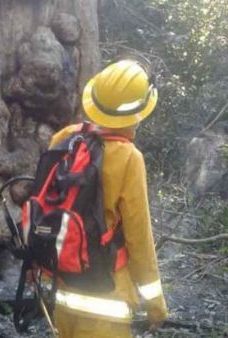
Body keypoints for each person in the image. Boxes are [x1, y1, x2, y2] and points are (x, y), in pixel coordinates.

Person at [50, 60, 168, 337]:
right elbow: (139, 237)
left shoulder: (65, 137)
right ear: (138, 112)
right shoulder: (129, 157)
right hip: (107, 297)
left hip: (63, 288)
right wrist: (155, 304)